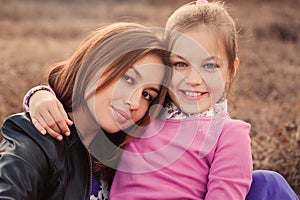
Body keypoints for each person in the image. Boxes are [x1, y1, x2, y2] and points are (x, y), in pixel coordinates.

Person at [20, 1, 299, 200]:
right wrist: (39, 95)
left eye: (210, 66)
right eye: (180, 65)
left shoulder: (229, 133)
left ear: (231, 71)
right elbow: (82, 100)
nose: (194, 79)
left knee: (268, 183)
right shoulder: (143, 114)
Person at [0, 22, 173, 199]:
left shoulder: (126, 156)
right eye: (128, 79)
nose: (135, 103)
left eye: (147, 95)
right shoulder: (37, 139)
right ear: (94, 64)